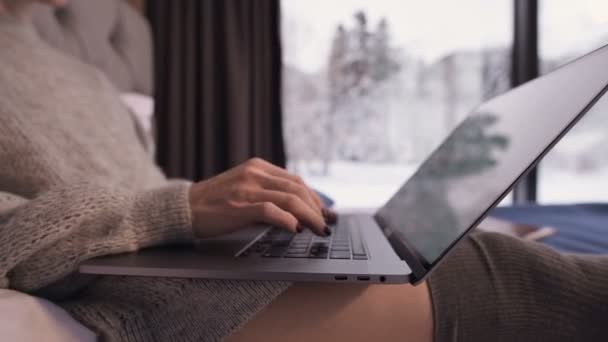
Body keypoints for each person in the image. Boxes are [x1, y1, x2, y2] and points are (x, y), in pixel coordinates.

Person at [0, 1, 607, 341]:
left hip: (172, 257)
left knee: (443, 245)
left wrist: (243, 202)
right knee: (507, 276)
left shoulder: (83, 74)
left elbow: (134, 190)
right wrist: (177, 210)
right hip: (132, 295)